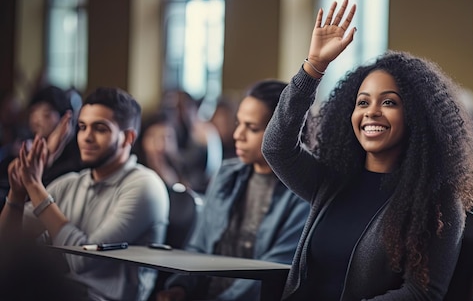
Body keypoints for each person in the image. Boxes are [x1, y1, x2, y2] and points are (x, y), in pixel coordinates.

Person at [261, 0, 473, 300]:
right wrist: (314, 68)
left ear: (417, 117)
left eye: (389, 102)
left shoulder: (438, 202)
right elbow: (276, 147)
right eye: (362, 102)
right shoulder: (333, 182)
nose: (371, 112)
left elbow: (421, 295)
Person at [0, 87, 170, 301]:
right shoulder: (70, 183)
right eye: (82, 127)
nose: (86, 137)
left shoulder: (146, 186)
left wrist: (34, 187)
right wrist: (16, 194)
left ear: (127, 138)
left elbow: (84, 262)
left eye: (100, 128)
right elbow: (6, 244)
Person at [157, 80, 309, 301]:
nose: (238, 134)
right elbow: (198, 245)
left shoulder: (302, 190)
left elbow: (272, 271)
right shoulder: (227, 174)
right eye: (239, 123)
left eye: (252, 128)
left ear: (283, 132)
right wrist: (180, 287)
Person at [0, 85, 83, 211]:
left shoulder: (75, 157)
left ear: (65, 119)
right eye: (33, 112)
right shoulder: (23, 145)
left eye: (46, 114)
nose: (36, 120)